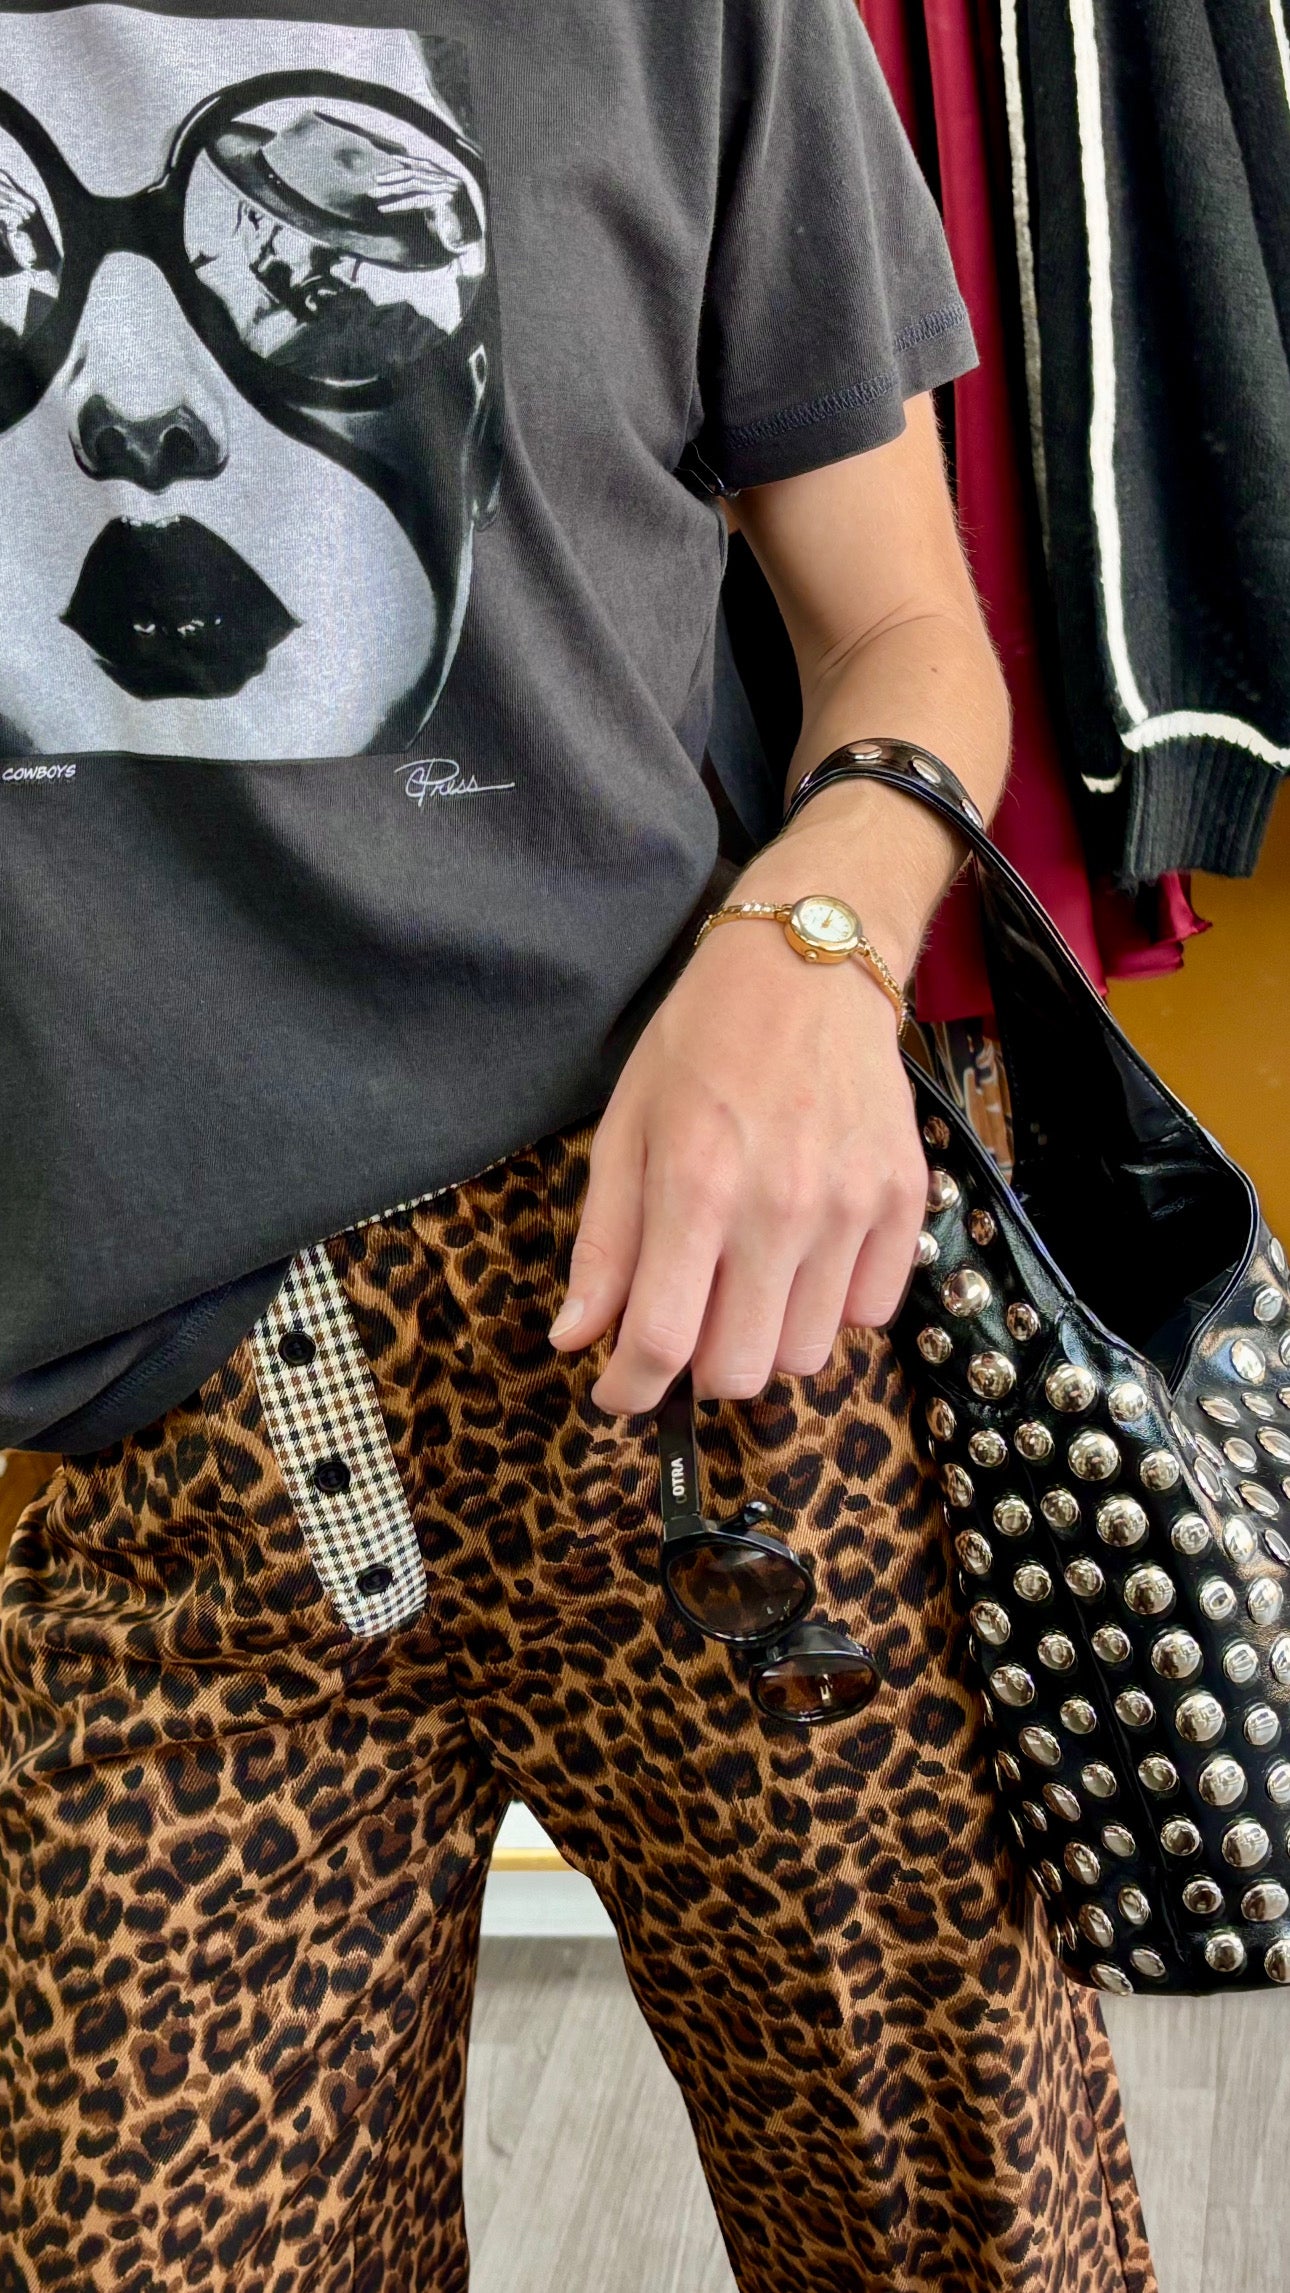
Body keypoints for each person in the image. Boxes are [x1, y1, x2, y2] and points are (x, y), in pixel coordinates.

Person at [0, 4, 1155, 2290]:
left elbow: (906, 634)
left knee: (968, 2242)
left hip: (716, 1348)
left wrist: (819, 942)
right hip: (150, 1439)